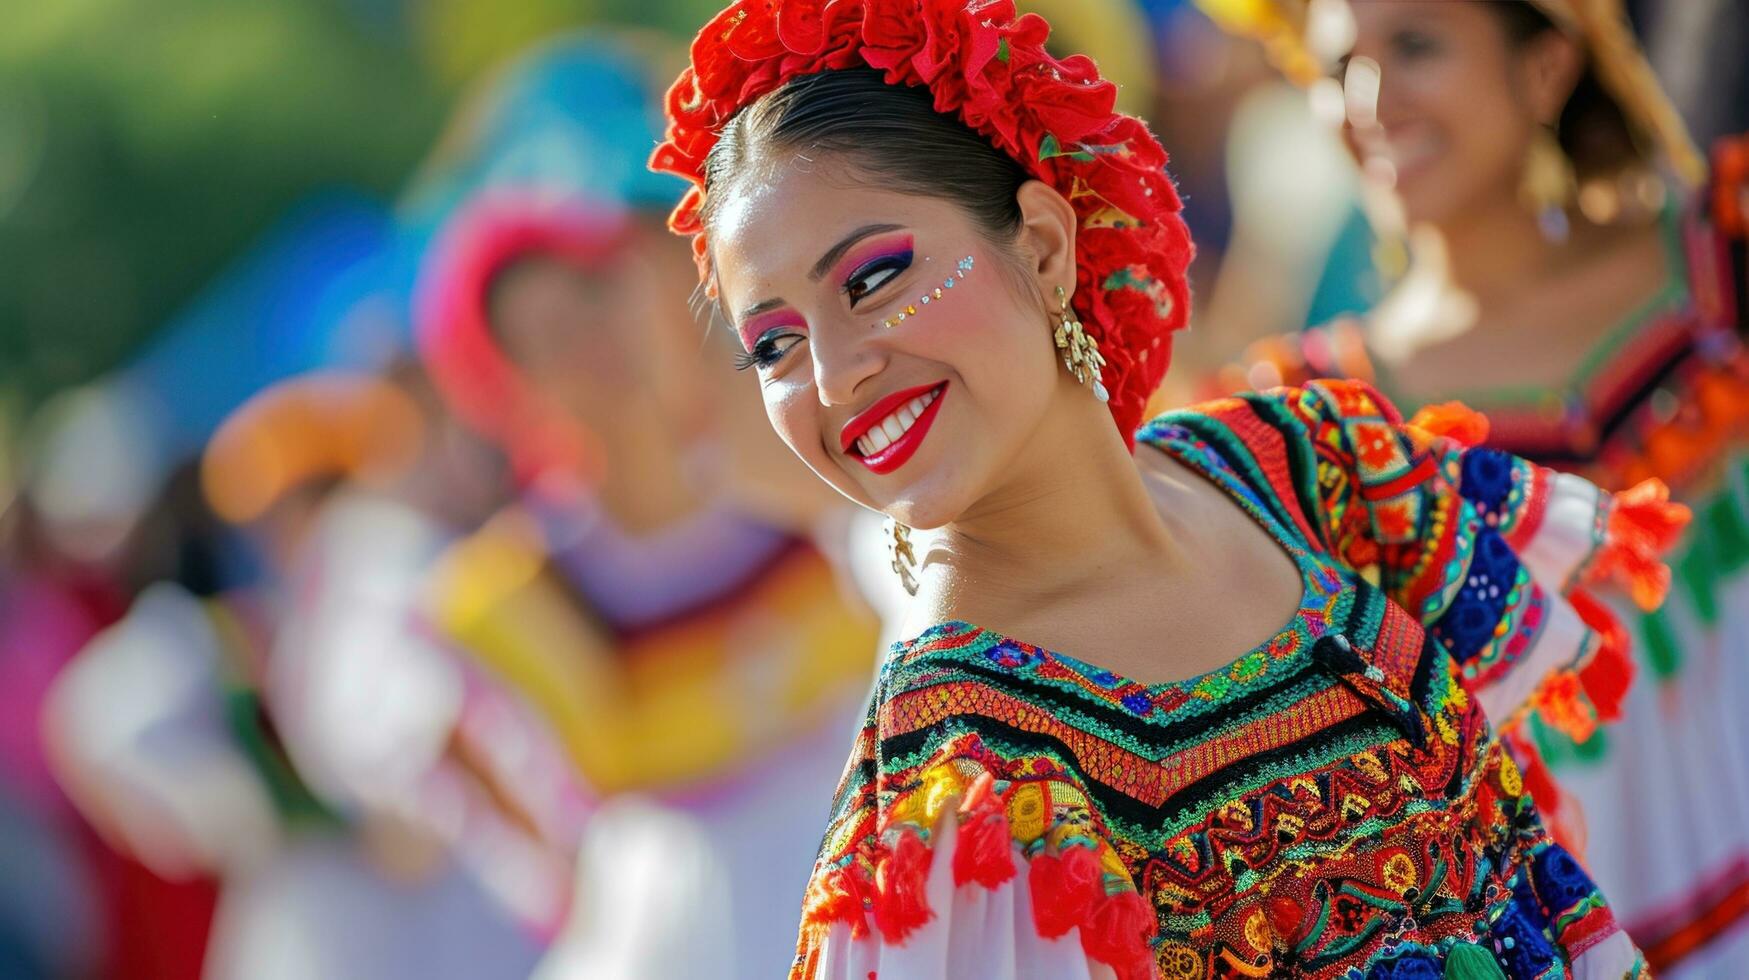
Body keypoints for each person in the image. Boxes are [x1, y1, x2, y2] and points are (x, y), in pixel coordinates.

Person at [647, 1, 1691, 977]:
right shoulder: (955, 783)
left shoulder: (1295, 458)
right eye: (773, 343)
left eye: (872, 277)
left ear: (1046, 248)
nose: (834, 375)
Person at [1205, 4, 1749, 972]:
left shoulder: (1728, 262)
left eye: (1415, 47)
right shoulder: (1319, 434)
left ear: (1546, 65)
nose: (1367, 102)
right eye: (1338, 70)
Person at [410, 34, 882, 980]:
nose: (595, 346)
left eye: (602, 297)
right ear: (506, 381)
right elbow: (528, 837)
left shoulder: (802, 477)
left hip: (886, 876)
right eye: (547, 335)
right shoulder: (507, 598)